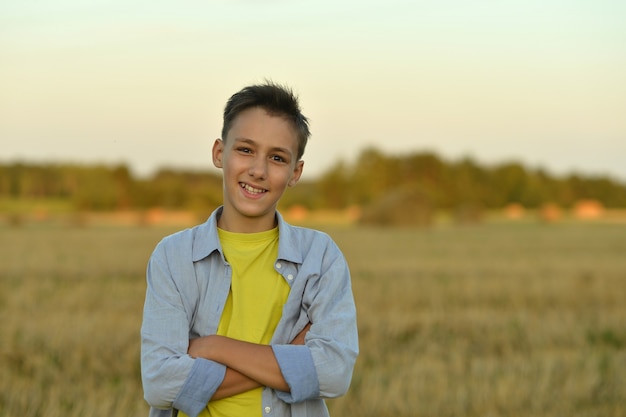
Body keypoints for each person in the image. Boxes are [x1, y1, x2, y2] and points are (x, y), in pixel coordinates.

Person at [140, 82, 359, 417]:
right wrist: (288, 356)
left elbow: (334, 373)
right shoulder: (173, 257)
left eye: (276, 157)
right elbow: (159, 384)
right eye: (245, 150)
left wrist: (214, 347)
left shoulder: (321, 257)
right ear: (218, 153)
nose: (258, 170)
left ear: (295, 172)